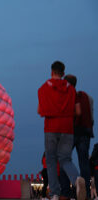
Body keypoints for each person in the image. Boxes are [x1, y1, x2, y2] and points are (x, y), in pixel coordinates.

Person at [37, 61, 86, 200]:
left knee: (51, 160)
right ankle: (76, 179)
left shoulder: (43, 89)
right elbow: (77, 111)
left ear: (51, 72)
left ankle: (54, 194)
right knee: (65, 159)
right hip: (67, 128)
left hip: (51, 127)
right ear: (63, 73)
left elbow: (40, 110)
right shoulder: (71, 89)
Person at [64, 74, 94, 197]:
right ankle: (85, 192)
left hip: (71, 132)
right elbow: (91, 117)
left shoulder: (67, 97)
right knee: (84, 163)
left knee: (64, 160)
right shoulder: (88, 98)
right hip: (85, 133)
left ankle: (66, 191)